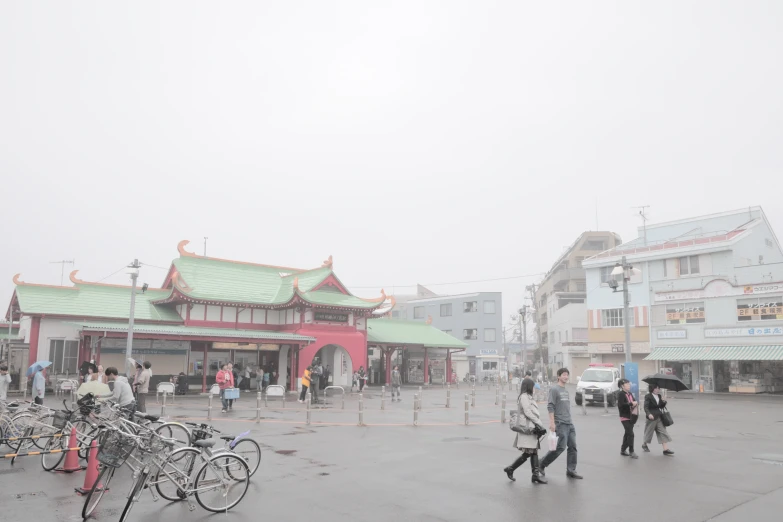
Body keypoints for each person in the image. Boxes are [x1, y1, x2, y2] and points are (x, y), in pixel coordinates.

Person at [538, 368, 583, 479]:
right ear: (558, 376)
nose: (566, 377)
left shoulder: (566, 390)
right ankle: (541, 463)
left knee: (573, 447)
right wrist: (552, 423)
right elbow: (550, 406)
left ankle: (571, 470)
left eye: (567, 375)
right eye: (563, 375)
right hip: (560, 423)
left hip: (569, 423)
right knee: (560, 447)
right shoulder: (554, 389)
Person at [504, 377, 548, 484]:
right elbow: (528, 412)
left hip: (532, 428)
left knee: (532, 452)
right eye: (532, 386)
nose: (533, 388)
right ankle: (515, 470)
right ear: (528, 386)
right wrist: (539, 424)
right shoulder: (524, 397)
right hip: (528, 428)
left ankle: (532, 475)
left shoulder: (529, 397)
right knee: (531, 451)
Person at [642, 384, 674, 456]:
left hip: (659, 417)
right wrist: (649, 414)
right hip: (651, 417)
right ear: (652, 389)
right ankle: (644, 444)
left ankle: (665, 449)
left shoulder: (659, 396)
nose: (657, 389)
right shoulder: (648, 396)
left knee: (663, 431)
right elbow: (646, 407)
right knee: (649, 432)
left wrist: (664, 401)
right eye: (655, 388)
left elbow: (660, 406)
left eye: (658, 388)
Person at [616, 379, 639, 459]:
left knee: (627, 434)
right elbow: (621, 405)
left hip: (631, 416)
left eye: (629, 384)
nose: (629, 386)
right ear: (622, 386)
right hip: (624, 417)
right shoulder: (621, 394)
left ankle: (622, 450)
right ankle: (631, 451)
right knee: (631, 434)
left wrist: (635, 403)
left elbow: (634, 401)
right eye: (627, 384)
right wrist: (631, 403)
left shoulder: (630, 393)